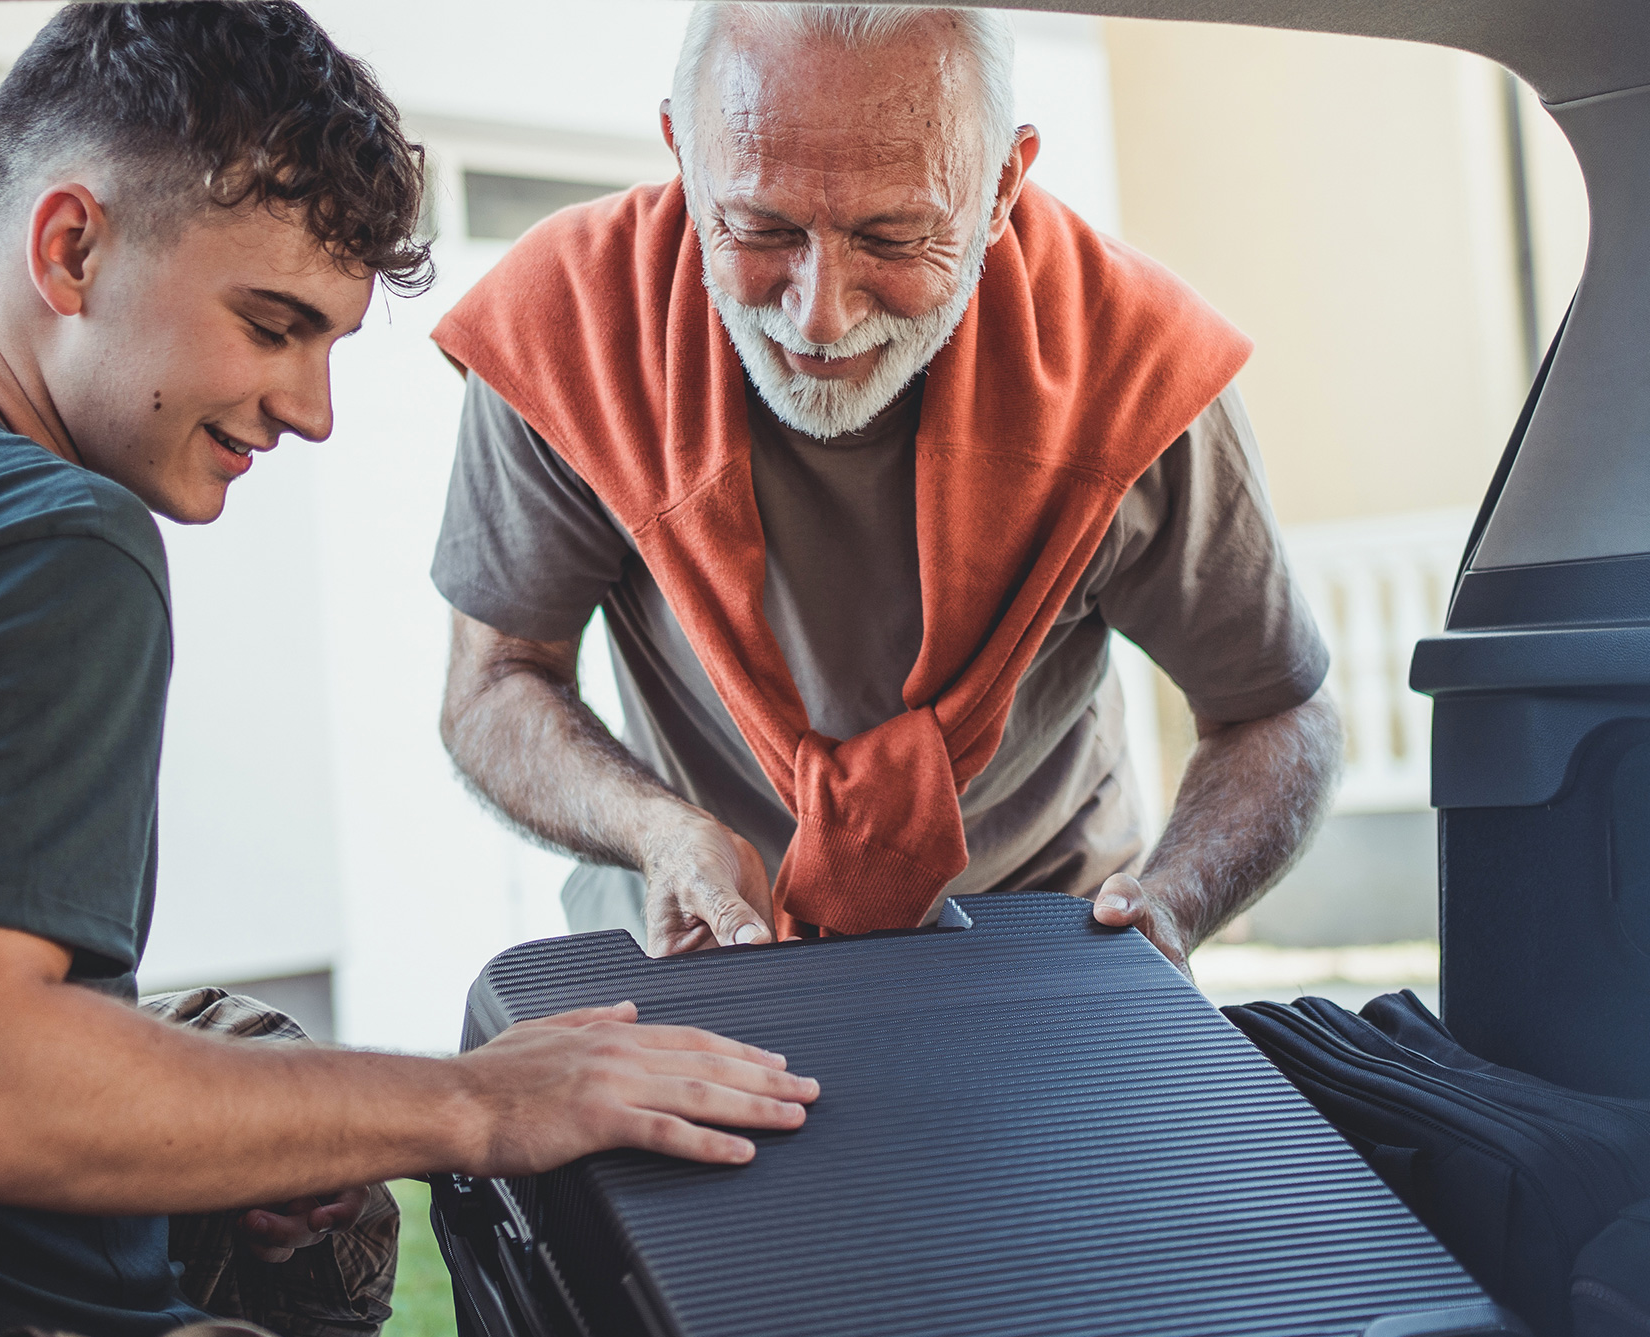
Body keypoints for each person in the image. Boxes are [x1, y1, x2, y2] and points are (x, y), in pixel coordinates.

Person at [0, 5, 816, 1337]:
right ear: (70, 249)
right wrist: (478, 1105)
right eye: (273, 324)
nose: (309, 411)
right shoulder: (45, 540)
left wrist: (244, 1119)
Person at [432, 2, 1342, 968]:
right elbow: (496, 680)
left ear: (1003, 187)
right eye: (760, 225)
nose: (819, 315)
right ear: (683, 159)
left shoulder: (1137, 366)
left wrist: (1169, 907)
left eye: (893, 238)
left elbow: (1274, 709)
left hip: (1045, 940)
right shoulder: (567, 327)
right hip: (688, 942)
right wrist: (656, 832)